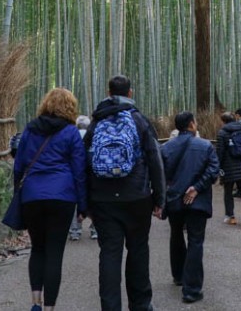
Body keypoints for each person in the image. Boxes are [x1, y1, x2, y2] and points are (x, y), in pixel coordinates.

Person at [84, 75, 166, 311]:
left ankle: (110, 307)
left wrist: (85, 202)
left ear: (109, 93)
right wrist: (159, 198)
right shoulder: (139, 120)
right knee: (138, 249)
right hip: (137, 197)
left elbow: (83, 162)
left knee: (109, 253)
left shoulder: (96, 122)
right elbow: (155, 159)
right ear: (130, 93)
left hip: (103, 199)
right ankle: (140, 304)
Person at [13, 88, 88, 311]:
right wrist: (83, 205)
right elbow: (79, 171)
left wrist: (18, 192)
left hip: (32, 196)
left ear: (45, 104)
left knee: (37, 248)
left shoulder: (30, 129)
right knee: (55, 251)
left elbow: (19, 165)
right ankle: (49, 308)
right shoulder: (71, 132)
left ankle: (35, 302)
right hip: (62, 197)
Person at [160, 111, 220, 304]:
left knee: (176, 235)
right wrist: (197, 188)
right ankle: (191, 290)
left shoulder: (166, 147)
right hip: (198, 202)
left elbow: (160, 176)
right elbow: (213, 170)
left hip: (175, 200)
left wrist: (160, 200)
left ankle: (178, 276)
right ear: (192, 124)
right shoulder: (205, 146)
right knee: (195, 241)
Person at [216, 112, 241, 224]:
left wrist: (217, 166)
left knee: (228, 192)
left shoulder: (222, 132)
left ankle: (231, 216)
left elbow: (220, 151)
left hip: (228, 167)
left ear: (223, 121)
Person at [70, 115, 96, 240]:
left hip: (76, 173)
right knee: (94, 201)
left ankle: (75, 231)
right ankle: (95, 229)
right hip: (92, 173)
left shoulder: (72, 136)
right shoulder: (94, 135)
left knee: (75, 202)